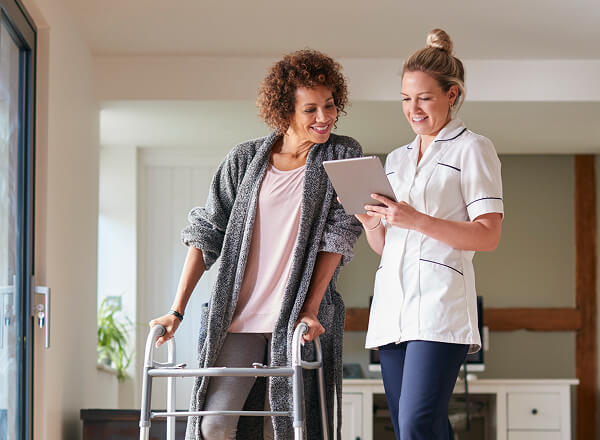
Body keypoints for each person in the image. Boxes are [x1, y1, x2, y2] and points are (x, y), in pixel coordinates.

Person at [149, 49, 362, 440]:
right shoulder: (244, 159)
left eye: (330, 106)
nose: (324, 118)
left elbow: (341, 233)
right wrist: (175, 311)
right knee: (214, 424)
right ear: (285, 112)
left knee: (281, 427)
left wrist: (312, 309)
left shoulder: (342, 154)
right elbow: (206, 231)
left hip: (297, 320)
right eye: (310, 109)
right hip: (238, 318)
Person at [356, 29, 503, 440]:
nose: (412, 108)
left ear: (452, 95)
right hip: (392, 308)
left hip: (439, 307)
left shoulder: (472, 148)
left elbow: (488, 235)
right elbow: (389, 245)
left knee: (418, 422)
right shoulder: (396, 160)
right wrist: (373, 226)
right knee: (415, 425)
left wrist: (415, 219)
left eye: (424, 97)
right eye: (406, 98)